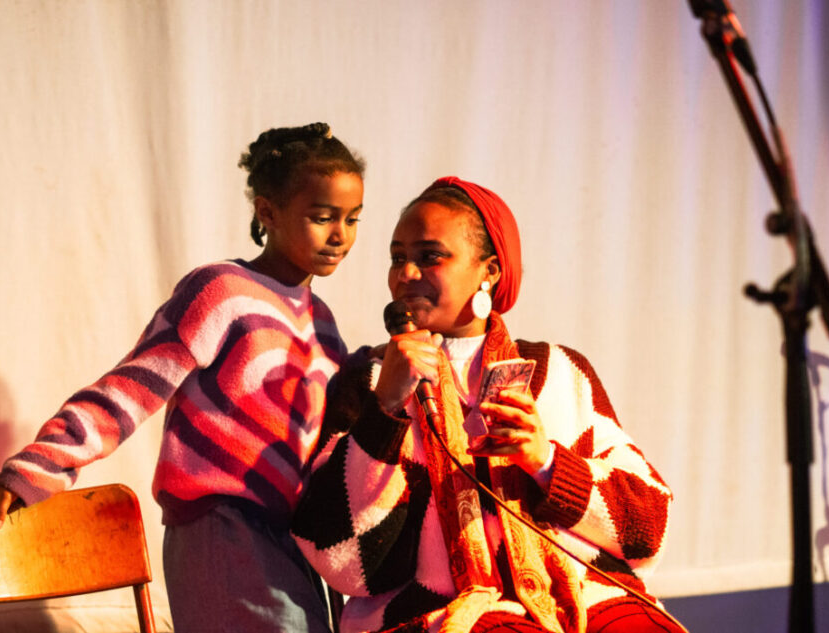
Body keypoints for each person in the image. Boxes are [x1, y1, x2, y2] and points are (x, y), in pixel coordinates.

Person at [0, 122, 366, 633]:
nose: (341, 236)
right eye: (322, 217)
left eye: (353, 219)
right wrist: (35, 469)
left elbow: (327, 445)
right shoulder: (222, 291)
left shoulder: (324, 324)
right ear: (267, 212)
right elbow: (129, 389)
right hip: (221, 526)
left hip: (292, 539)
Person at [292, 177, 685, 633]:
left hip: (587, 596)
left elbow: (649, 526)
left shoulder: (559, 372)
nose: (406, 273)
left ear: (490, 271)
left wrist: (547, 463)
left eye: (429, 256)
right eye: (398, 258)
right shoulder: (369, 381)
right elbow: (340, 557)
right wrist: (386, 410)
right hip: (434, 612)